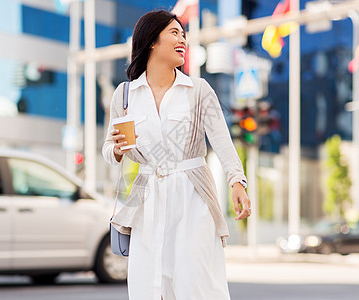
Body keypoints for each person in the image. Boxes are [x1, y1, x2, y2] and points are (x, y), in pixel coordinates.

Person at [102, 10, 250, 300]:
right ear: (152, 41)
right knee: (149, 285)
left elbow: (222, 142)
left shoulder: (198, 90)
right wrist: (117, 150)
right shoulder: (125, 95)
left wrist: (237, 182)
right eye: (174, 32)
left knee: (197, 285)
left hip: (192, 199)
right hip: (148, 201)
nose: (182, 39)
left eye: (184, 34)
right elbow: (109, 148)